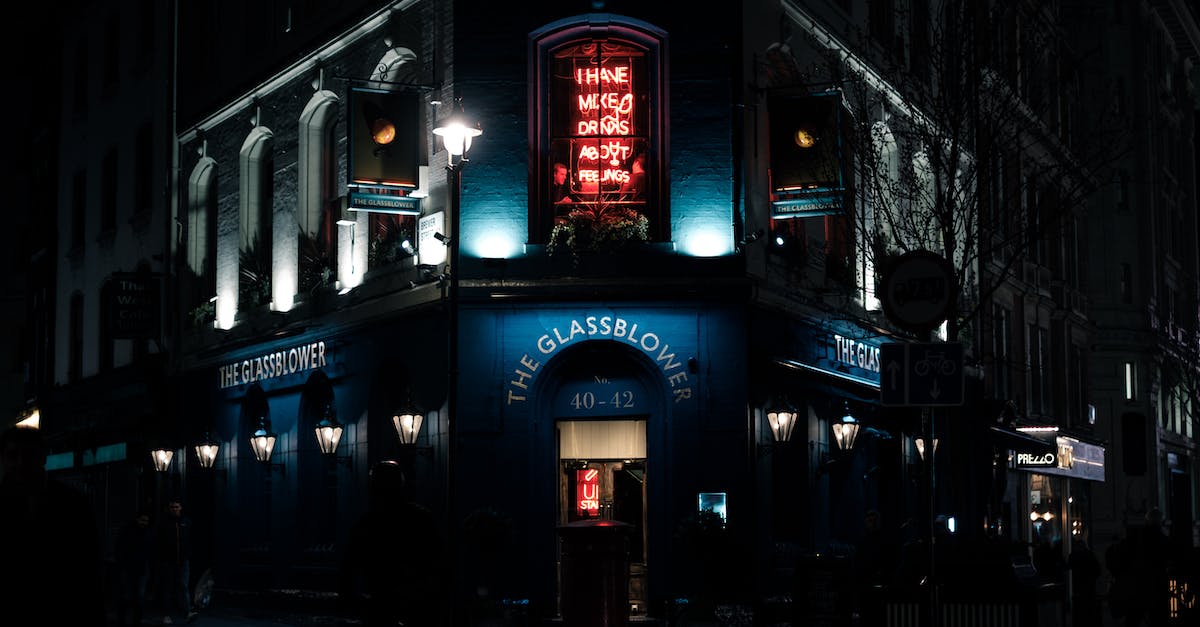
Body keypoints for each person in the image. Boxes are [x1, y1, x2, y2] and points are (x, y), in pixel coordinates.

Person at [0, 425, 106, 625]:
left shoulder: (73, 504)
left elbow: (88, 567)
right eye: (13, 455)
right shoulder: (73, 502)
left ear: (42, 458)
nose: (21, 463)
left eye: (28, 455)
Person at [340, 461, 446, 627]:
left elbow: (350, 568)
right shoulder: (420, 518)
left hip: (383, 603)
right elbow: (438, 560)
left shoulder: (368, 524)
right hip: (416, 603)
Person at [154, 498, 195, 624]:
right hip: (167, 562)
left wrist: (188, 555)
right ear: (169, 508)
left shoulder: (186, 522)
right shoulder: (163, 523)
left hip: (183, 561)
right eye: (172, 507)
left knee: (183, 587)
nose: (175, 509)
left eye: (177, 507)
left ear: (181, 508)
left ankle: (187, 612)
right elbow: (158, 542)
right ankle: (167, 615)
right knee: (168, 588)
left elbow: (191, 540)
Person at [116, 509, 153, 626]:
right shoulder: (129, 531)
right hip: (129, 566)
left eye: (146, 521)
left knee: (137, 595)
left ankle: (135, 619)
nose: (144, 523)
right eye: (142, 520)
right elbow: (121, 548)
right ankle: (126, 619)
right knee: (128, 594)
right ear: (137, 519)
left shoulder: (147, 532)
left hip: (140, 567)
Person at [1067, 533, 1101, 627]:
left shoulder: (1074, 555)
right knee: (1088, 608)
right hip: (1089, 586)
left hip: (1078, 586)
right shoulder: (1089, 554)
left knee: (1079, 608)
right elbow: (1097, 570)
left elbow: (1068, 566)